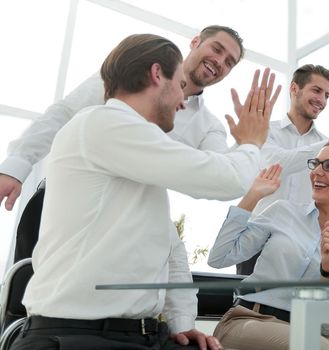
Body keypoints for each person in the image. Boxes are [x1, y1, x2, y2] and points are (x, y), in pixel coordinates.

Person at [11, 33, 278, 350]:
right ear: (156, 74)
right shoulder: (102, 121)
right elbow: (224, 177)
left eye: (230, 61)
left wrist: (182, 325)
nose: (182, 102)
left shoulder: (169, 150)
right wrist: (251, 142)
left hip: (141, 335)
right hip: (77, 336)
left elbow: (171, 243)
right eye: (179, 87)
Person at [0, 25, 279, 211]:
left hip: (125, 220)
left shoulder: (210, 126)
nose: (220, 61)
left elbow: (219, 174)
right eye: (217, 49)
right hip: (63, 202)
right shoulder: (134, 69)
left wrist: (249, 139)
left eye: (229, 61)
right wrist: (18, 164)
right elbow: (64, 113)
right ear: (195, 42)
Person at [208, 139, 329, 350]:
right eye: (315, 163)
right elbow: (219, 257)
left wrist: (328, 270)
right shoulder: (282, 211)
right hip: (248, 322)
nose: (317, 171)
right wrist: (253, 196)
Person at [236, 64, 329, 274]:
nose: (322, 100)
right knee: (248, 304)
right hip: (257, 236)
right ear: (294, 89)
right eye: (316, 90)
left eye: (327, 95)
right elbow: (278, 164)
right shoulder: (264, 131)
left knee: (299, 306)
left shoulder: (328, 148)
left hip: (301, 245)